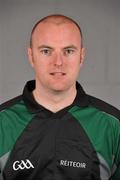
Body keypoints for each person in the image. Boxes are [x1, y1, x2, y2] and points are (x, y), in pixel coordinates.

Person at [0, 14, 120, 180]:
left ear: (81, 56)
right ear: (31, 56)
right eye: (46, 51)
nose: (58, 62)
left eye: (68, 51)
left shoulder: (112, 125)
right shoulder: (2, 123)